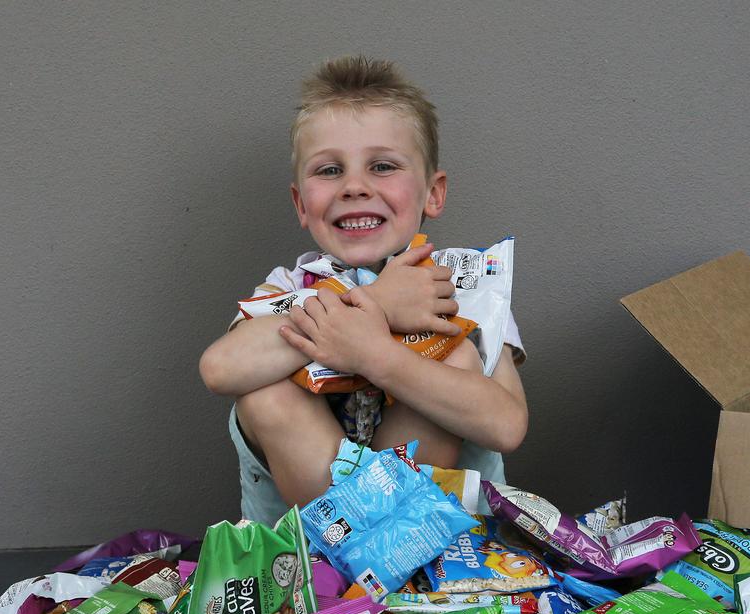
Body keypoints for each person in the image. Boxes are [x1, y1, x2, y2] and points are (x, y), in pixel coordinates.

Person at [199, 56, 528, 524]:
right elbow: (220, 369)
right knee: (262, 387)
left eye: (382, 166)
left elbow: (507, 425)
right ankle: (349, 548)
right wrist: (376, 305)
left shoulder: (468, 290)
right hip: (311, 554)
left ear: (433, 194)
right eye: (329, 171)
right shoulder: (288, 288)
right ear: (300, 203)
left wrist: (374, 353)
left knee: (456, 355)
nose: (354, 186)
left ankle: (386, 544)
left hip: (433, 544)